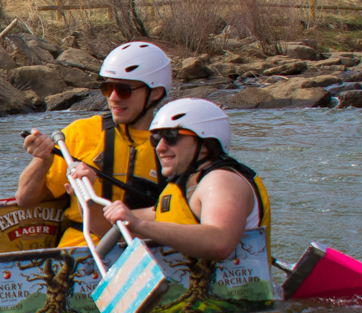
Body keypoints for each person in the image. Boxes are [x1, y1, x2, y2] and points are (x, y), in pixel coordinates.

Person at [16, 41, 171, 250]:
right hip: (80, 251)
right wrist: (42, 160)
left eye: (124, 90)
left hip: (149, 248)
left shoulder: (174, 145)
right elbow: (25, 199)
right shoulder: (80, 132)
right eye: (108, 88)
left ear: (156, 93)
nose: (113, 98)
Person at [100, 98, 271, 261]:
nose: (160, 147)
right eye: (156, 139)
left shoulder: (222, 180)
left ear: (205, 145)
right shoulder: (182, 187)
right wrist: (86, 190)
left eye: (171, 137)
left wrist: (139, 226)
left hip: (233, 291)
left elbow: (220, 243)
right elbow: (107, 225)